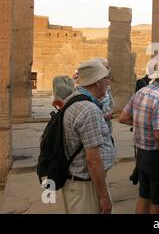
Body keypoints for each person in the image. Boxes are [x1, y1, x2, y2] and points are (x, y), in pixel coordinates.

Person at [121, 61, 159, 214]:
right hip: (156, 156)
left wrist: (143, 124)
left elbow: (123, 117)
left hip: (141, 154)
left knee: (144, 196)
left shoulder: (142, 91)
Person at [61, 59, 116, 214]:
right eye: (106, 78)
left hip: (77, 180)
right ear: (98, 82)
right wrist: (104, 196)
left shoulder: (72, 99)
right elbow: (93, 160)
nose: (108, 82)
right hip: (85, 184)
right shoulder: (88, 109)